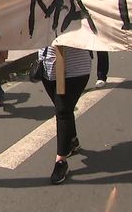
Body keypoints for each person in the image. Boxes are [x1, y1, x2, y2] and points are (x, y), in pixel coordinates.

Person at [39, 46, 91, 184]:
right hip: (47, 68)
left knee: (62, 111)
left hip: (75, 69)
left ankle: (61, 161)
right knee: (64, 109)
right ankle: (72, 140)